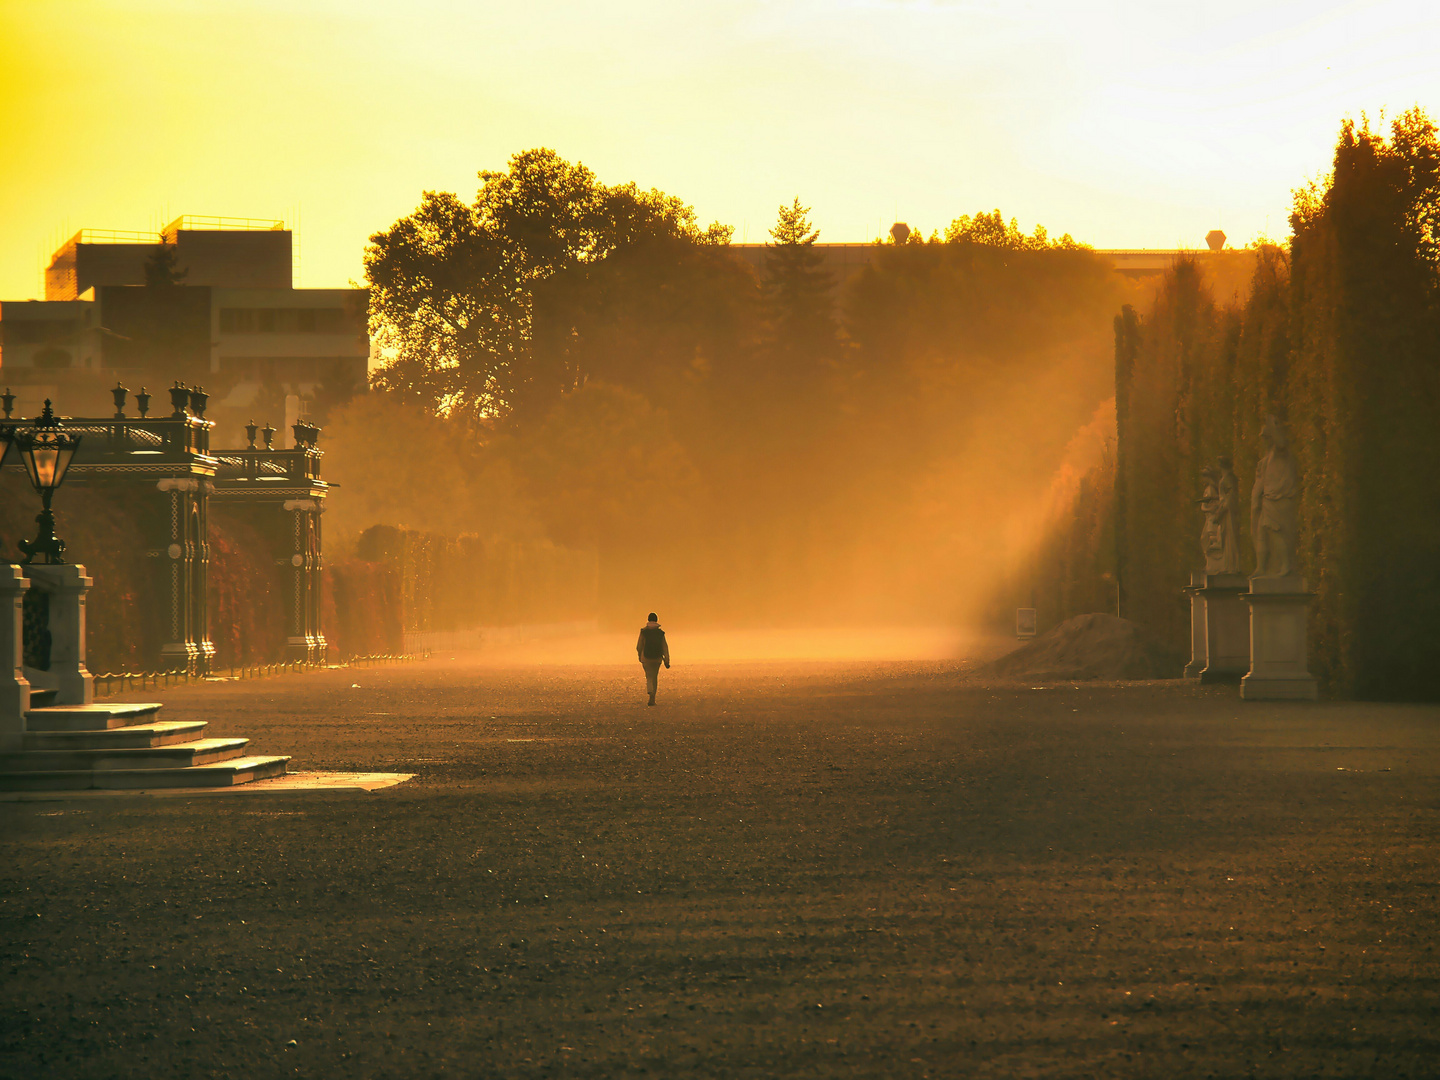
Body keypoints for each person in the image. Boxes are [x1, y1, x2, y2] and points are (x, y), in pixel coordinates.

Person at [635, 613, 670, 706]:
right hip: (657, 658)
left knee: (649, 676)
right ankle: (653, 697)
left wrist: (639, 655)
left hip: (645, 658)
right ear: (656, 620)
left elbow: (639, 645)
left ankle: (650, 690)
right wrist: (667, 659)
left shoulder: (644, 631)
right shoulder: (660, 633)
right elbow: (665, 647)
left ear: (648, 620)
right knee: (654, 676)